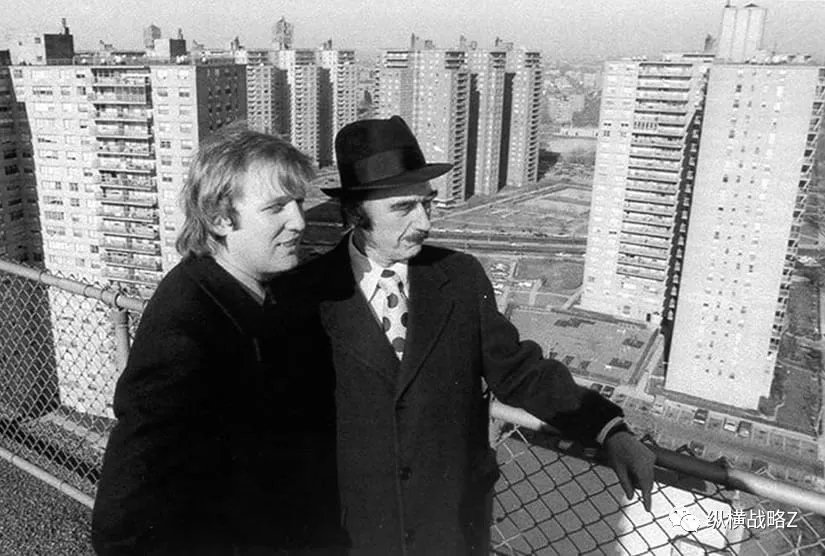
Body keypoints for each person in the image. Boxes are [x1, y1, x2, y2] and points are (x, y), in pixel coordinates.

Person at [285, 116, 656, 555]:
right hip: (350, 538)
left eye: (428, 203)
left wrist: (610, 429)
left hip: (449, 532)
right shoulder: (304, 295)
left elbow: (520, 372)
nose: (424, 222)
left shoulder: (460, 278)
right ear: (354, 213)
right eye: (404, 208)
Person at [92, 128, 345, 555]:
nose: (299, 221)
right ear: (219, 219)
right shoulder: (185, 322)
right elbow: (124, 517)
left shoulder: (267, 288)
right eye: (277, 207)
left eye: (299, 203)